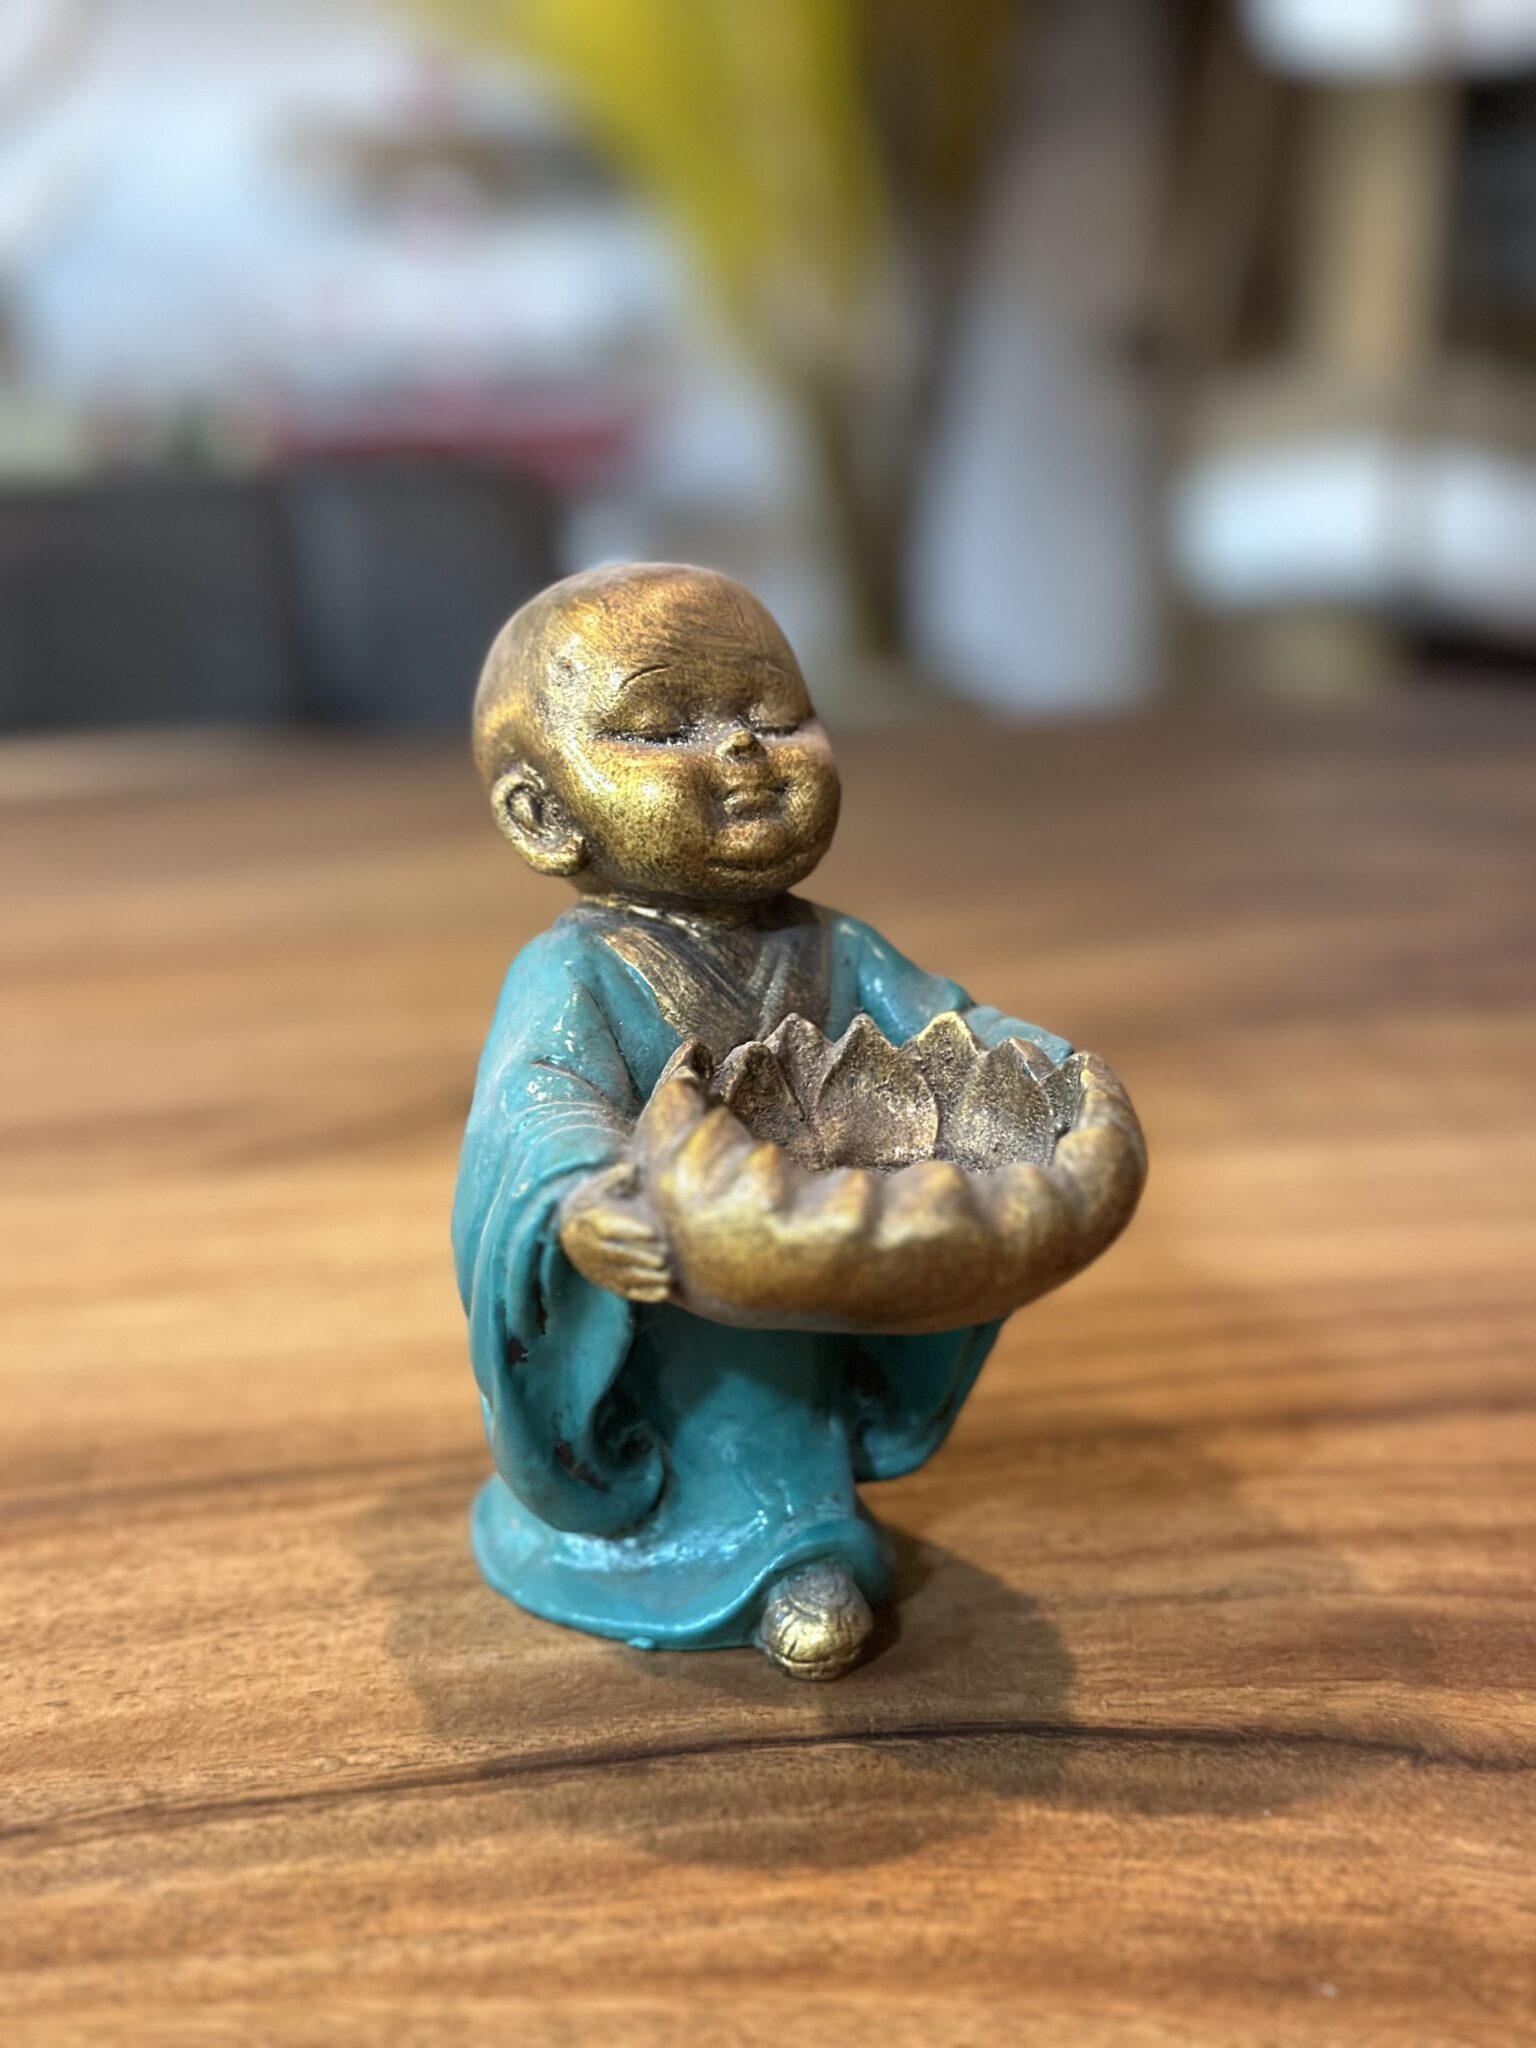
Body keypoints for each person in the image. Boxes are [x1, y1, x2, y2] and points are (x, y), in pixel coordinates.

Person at [453, 563, 1071, 1678]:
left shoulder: (840, 950)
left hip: (806, 1262)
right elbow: (538, 1097)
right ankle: (765, 1556)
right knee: (723, 1408)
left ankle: (800, 1526)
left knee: (792, 1393)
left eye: (778, 717)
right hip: (667, 1297)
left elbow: (951, 1034)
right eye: (663, 730)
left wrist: (1046, 1072)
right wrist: (583, 1198)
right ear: (541, 817)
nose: (743, 749)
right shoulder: (576, 970)